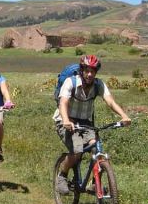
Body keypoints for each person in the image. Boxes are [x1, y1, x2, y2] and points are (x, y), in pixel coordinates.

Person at [53, 54, 131, 194]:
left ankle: (95, 183)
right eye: (87, 70)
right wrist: (65, 120)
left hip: (86, 123)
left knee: (97, 149)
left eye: (93, 71)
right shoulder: (71, 82)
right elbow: (63, 102)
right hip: (66, 120)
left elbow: (110, 101)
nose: (90, 74)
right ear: (82, 70)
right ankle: (62, 176)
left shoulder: (98, 84)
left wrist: (123, 116)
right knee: (77, 151)